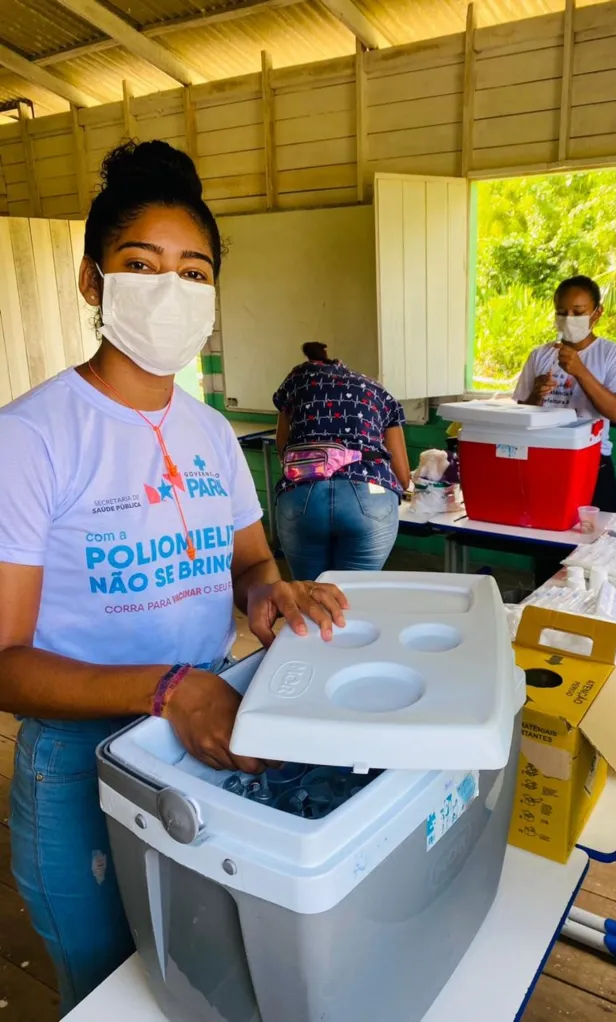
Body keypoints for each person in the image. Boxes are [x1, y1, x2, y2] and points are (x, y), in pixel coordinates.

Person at [0, 141, 347, 1016]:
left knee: (195, 984)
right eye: (141, 266)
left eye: (195, 273)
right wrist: (168, 690)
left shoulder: (210, 434)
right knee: (114, 998)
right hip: (83, 766)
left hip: (204, 736)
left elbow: (252, 564)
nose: (172, 290)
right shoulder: (31, 438)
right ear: (92, 282)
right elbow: (3, 660)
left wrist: (269, 594)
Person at [274, 345, 411, 580]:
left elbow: (282, 449)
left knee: (311, 597)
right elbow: (403, 477)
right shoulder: (377, 391)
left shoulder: (295, 383)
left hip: (302, 496)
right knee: (354, 598)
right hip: (370, 499)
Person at [514, 275, 616, 513]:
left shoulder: (613, 354)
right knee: (544, 538)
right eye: (562, 312)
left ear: (597, 313)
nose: (569, 319)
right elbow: (522, 413)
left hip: (591, 462)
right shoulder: (540, 355)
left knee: (591, 539)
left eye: (578, 312)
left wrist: (581, 372)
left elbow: (615, 412)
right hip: (543, 457)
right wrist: (536, 396)